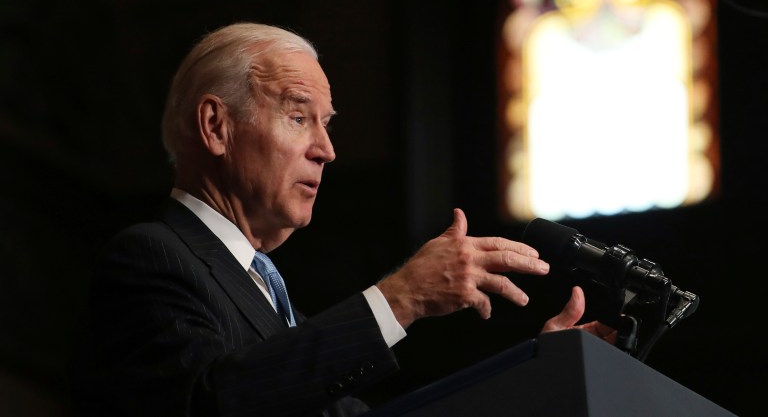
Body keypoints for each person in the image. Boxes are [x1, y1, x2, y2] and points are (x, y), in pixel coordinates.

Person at [72, 22, 614, 417]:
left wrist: (540, 380)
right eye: (298, 116)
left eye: (326, 124)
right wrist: (402, 297)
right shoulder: (151, 258)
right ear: (217, 126)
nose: (326, 150)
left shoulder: (288, 318)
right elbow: (214, 406)